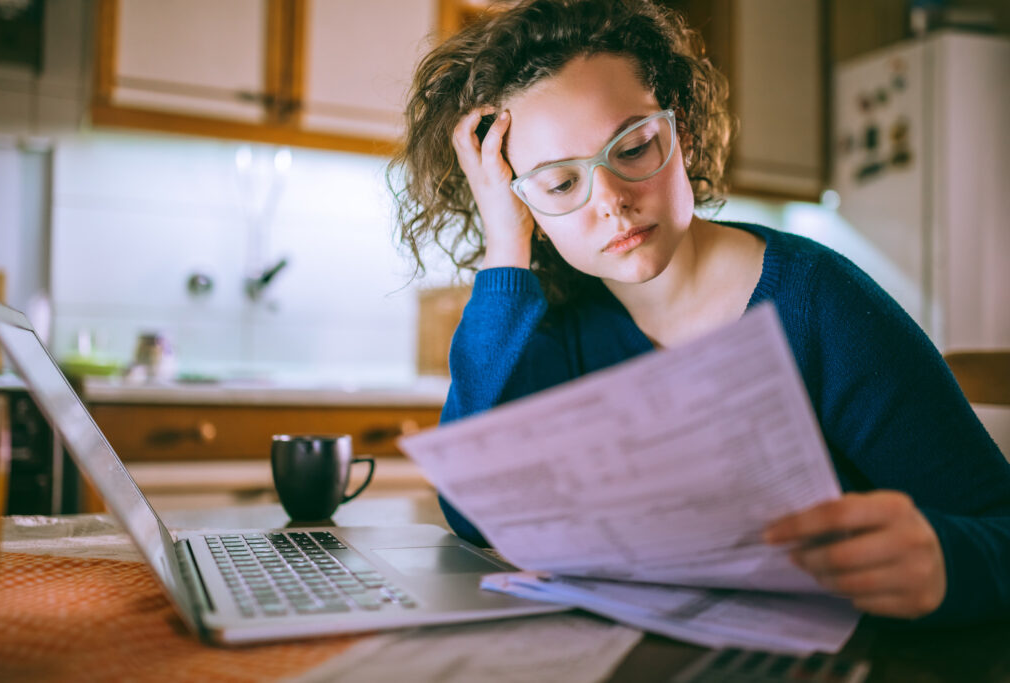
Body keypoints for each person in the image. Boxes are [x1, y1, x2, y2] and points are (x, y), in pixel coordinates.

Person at [387, 0, 1010, 626]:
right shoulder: (557, 324)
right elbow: (475, 515)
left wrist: (944, 560)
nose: (611, 201)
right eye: (559, 184)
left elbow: (998, 526)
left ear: (677, 131)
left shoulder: (818, 301)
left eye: (632, 148)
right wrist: (505, 243)